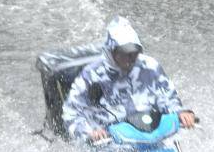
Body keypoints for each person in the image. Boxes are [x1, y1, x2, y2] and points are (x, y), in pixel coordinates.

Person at [62, 16, 196, 142]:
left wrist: (181, 113)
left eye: (135, 53)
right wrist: (89, 133)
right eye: (126, 53)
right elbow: (71, 113)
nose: (131, 58)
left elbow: (167, 97)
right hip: (108, 144)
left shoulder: (150, 67)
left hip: (151, 137)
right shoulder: (91, 75)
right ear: (112, 51)